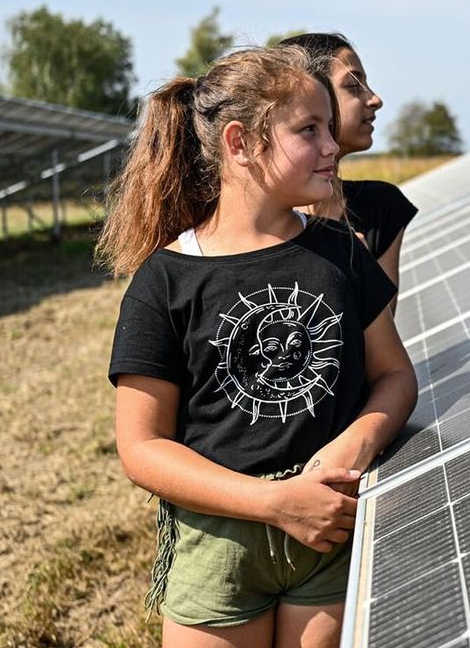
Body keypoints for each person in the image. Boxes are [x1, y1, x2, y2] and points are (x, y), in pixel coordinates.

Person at [96, 46, 417, 647]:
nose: (331, 146)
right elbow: (141, 447)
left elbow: (395, 375)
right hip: (221, 545)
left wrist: (353, 443)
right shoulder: (164, 281)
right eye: (308, 130)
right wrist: (273, 502)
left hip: (329, 531)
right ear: (241, 143)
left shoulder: (341, 253)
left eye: (328, 126)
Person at [280, 33, 417, 312]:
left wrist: (362, 274)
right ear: (311, 95)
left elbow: (380, 343)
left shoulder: (381, 207)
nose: (375, 99)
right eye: (353, 86)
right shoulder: (257, 225)